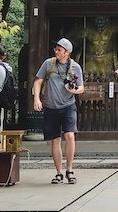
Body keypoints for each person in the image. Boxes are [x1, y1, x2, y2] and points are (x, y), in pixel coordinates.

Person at [32, 38, 84, 184]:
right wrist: (37, 98)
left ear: (67, 52)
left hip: (68, 106)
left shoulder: (75, 67)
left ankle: (70, 170)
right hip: (50, 106)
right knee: (55, 140)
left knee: (69, 136)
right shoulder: (48, 64)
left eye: (59, 49)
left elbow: (81, 88)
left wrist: (73, 89)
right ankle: (59, 172)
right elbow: (38, 81)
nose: (56, 51)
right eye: (56, 49)